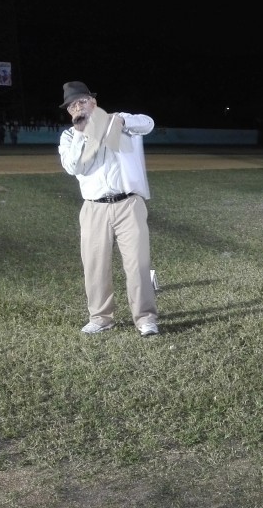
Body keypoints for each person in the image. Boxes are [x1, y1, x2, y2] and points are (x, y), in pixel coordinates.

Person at [57, 81, 159, 337]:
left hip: (129, 204)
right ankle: (101, 317)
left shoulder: (120, 122)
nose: (77, 107)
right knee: (95, 265)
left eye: (81, 101)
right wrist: (82, 133)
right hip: (94, 208)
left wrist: (123, 121)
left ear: (94, 101)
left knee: (138, 263)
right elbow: (74, 167)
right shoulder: (70, 136)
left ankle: (145, 318)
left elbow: (148, 123)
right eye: (72, 105)